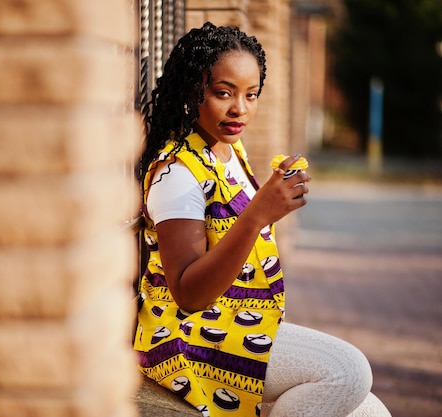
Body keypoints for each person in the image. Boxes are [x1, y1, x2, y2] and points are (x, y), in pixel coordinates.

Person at [133, 22, 392, 417]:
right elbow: (187, 294)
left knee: (370, 412)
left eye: (251, 95)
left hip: (244, 324)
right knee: (347, 372)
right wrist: (257, 215)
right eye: (224, 93)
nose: (240, 109)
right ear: (191, 89)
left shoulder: (227, 151)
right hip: (190, 337)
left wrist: (269, 201)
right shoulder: (178, 173)